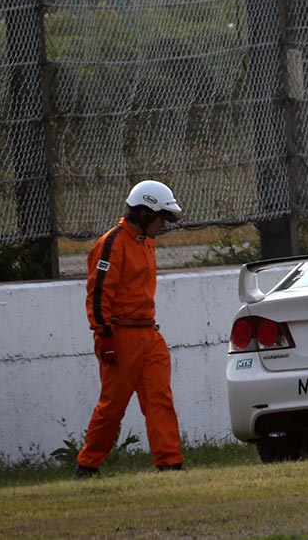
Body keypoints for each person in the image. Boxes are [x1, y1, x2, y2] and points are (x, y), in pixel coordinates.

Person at [75, 180, 185, 477]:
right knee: (113, 406)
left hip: (149, 333)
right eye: (162, 218)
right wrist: (104, 334)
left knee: (159, 397)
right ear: (145, 213)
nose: (164, 225)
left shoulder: (146, 242)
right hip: (120, 336)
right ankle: (87, 465)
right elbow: (98, 294)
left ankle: (170, 461)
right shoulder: (112, 243)